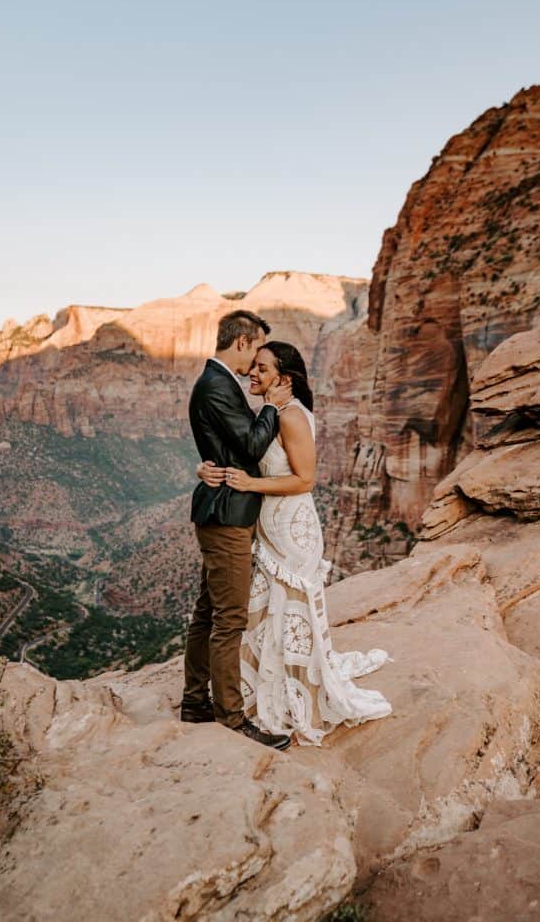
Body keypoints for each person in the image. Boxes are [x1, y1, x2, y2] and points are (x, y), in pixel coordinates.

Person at [198, 341, 393, 746]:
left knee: (288, 610)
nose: (253, 374)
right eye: (253, 366)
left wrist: (251, 484)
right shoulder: (272, 413)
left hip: (292, 530)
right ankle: (265, 691)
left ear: (284, 380)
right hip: (270, 527)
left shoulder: (291, 418)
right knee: (268, 612)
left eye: (263, 370)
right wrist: (208, 469)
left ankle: (291, 695)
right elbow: (246, 450)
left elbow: (305, 480)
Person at [182, 310, 293, 750]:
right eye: (256, 350)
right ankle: (230, 717)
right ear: (243, 342)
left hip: (222, 510)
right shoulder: (216, 384)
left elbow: (226, 446)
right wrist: (273, 406)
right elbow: (249, 443)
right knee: (228, 618)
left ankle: (194, 702)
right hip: (227, 516)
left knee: (208, 611)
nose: (254, 365)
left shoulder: (215, 382)